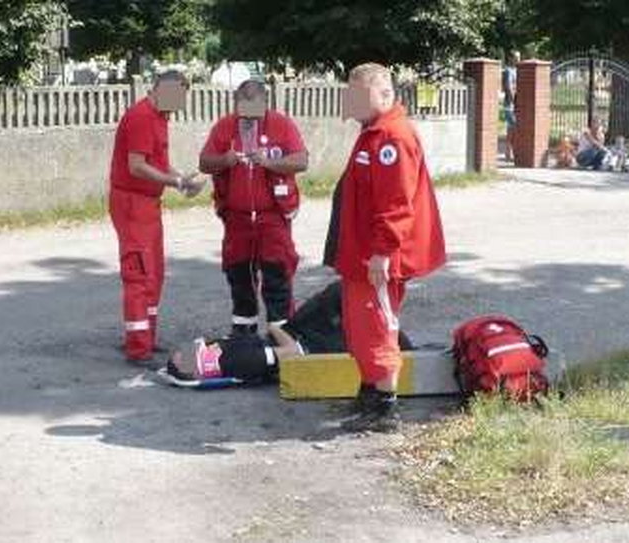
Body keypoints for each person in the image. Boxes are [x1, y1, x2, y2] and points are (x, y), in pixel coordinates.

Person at [323, 62, 446, 432]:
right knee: (362, 328)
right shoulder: (374, 132)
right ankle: (369, 395)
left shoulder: (392, 137)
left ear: (385, 94)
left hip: (376, 257)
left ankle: (383, 408)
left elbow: (396, 203)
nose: (353, 102)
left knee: (377, 328)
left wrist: (381, 252)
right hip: (361, 253)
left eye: (360, 95)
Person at [199, 80, 308, 336]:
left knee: (276, 275)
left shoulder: (282, 124)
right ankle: (243, 335)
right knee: (239, 276)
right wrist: (224, 160)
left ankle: (281, 337)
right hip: (237, 218)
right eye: (242, 110)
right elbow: (204, 163)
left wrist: (270, 161)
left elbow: (301, 161)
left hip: (272, 216)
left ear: (264, 104)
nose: (247, 118)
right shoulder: (224, 127)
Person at [109, 70, 202, 363]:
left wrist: (180, 178)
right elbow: (136, 166)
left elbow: (158, 163)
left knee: (155, 272)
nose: (179, 105)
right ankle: (138, 348)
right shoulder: (142, 116)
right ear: (161, 89)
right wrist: (174, 182)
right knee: (139, 273)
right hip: (132, 203)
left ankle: (146, 337)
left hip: (147, 203)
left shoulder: (159, 117)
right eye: (178, 97)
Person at [163, 281, 414, 385]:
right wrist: (278, 330)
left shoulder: (218, 349)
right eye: (180, 358)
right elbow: (292, 354)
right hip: (308, 351)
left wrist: (278, 329)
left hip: (293, 333)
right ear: (197, 367)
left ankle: (388, 328)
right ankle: (398, 345)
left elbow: (277, 334)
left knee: (342, 290)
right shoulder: (234, 360)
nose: (180, 353)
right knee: (364, 332)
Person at [502, 51, 521, 162]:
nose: (518, 60)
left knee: (512, 129)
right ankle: (509, 152)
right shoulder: (508, 71)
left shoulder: (518, 71)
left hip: (516, 104)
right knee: (513, 128)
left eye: (519, 57)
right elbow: (508, 87)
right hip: (510, 104)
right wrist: (514, 101)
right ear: (511, 59)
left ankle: (509, 152)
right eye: (516, 58)